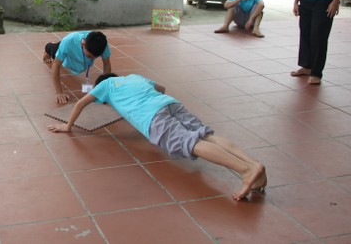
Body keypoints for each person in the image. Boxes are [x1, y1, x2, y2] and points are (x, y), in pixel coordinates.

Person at [47, 73, 267, 201]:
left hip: (152, 116)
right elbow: (161, 88)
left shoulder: (104, 85)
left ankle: (245, 171)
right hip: (169, 104)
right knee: (207, 135)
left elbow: (81, 103)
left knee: (191, 143)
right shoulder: (133, 76)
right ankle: (253, 165)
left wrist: (68, 126)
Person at [43, 31, 111, 104]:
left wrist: (105, 89)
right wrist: (59, 92)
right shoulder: (68, 42)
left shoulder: (103, 45)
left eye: (95, 57)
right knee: (53, 50)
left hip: (76, 52)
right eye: (90, 56)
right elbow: (56, 65)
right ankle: (49, 46)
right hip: (67, 48)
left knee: (79, 64)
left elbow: (106, 64)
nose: (92, 59)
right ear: (83, 44)